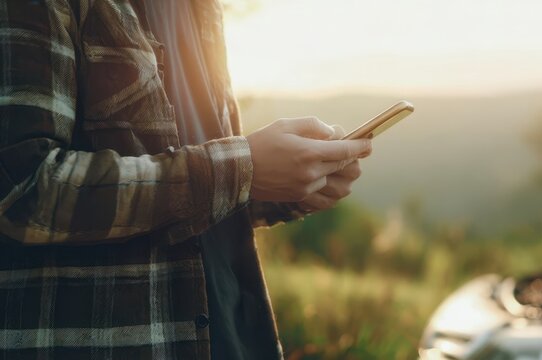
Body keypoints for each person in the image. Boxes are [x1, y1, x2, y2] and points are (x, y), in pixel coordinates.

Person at [0, 1, 370, 359]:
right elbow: (22, 190)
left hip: (237, 336)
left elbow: (195, 190)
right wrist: (242, 169)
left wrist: (289, 185)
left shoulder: (204, 7)